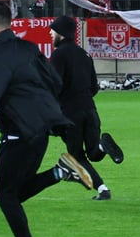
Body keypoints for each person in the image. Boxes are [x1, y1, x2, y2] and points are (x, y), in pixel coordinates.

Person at [0, 2, 94, 237]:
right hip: (40, 131)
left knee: (5, 194)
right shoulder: (29, 49)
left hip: (18, 132)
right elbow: (55, 81)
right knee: (14, 194)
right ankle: (60, 172)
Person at [48, 16, 125, 201]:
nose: (50, 33)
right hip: (90, 110)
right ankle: (103, 149)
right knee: (93, 153)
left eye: (53, 30)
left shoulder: (59, 55)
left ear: (61, 33)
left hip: (70, 113)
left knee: (76, 156)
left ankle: (102, 189)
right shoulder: (85, 55)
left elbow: (54, 85)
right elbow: (94, 87)